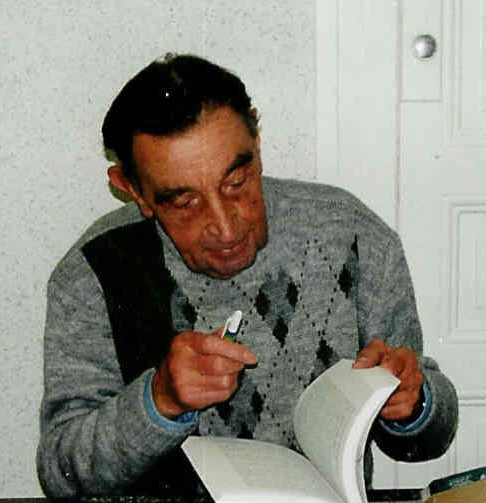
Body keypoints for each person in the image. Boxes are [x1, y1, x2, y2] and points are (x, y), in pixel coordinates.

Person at [37, 53, 458, 498]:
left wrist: (414, 402)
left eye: (236, 182)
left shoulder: (350, 234)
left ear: (256, 136)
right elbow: (61, 472)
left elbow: (430, 438)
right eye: (184, 203)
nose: (225, 228)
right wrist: (159, 401)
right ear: (131, 189)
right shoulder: (96, 272)